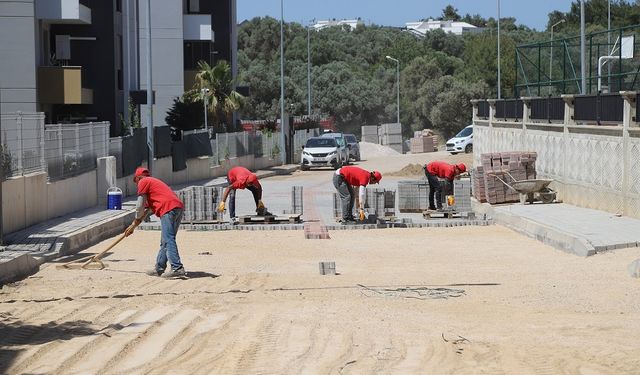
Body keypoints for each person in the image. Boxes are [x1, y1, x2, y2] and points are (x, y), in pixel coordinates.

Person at [125, 167, 186, 278]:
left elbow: (139, 206)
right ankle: (159, 268)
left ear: (138, 178)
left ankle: (177, 268)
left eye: (136, 181)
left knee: (168, 238)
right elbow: (145, 211)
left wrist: (134, 221)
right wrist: (133, 226)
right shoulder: (153, 184)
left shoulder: (143, 181)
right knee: (165, 240)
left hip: (168, 208)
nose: (137, 184)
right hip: (177, 207)